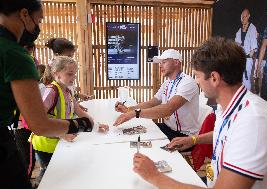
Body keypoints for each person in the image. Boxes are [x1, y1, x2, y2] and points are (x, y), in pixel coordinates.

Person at [133, 37, 267, 189]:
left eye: (197, 76)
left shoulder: (254, 121)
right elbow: (226, 134)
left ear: (214, 78)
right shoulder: (229, 107)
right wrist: (193, 140)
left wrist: (155, 176)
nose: (196, 82)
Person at [0, 1, 93, 188]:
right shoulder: (15, 55)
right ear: (24, 14)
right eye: (39, 20)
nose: (38, 27)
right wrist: (82, 125)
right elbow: (39, 124)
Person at [31, 56, 109, 182]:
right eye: (70, 74)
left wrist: (95, 125)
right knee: (49, 176)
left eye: (75, 74)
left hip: (58, 142)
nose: (73, 78)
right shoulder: (51, 91)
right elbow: (38, 120)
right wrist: (62, 135)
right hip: (46, 144)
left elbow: (79, 111)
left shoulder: (68, 90)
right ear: (57, 74)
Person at [114, 49, 199, 141]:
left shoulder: (187, 82)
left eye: (164, 62)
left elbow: (168, 109)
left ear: (176, 62)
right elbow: (152, 103)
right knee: (134, 136)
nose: (160, 65)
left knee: (143, 143)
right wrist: (128, 109)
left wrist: (135, 113)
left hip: (183, 135)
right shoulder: (167, 83)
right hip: (166, 128)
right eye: (160, 63)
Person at [235, 9, 258, 91]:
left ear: (248, 16)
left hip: (247, 58)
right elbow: (237, 44)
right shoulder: (239, 30)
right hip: (240, 58)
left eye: (245, 16)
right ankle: (241, 96)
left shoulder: (252, 28)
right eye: (242, 17)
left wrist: (250, 54)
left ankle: (248, 96)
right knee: (240, 78)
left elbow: (254, 46)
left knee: (246, 78)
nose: (243, 18)